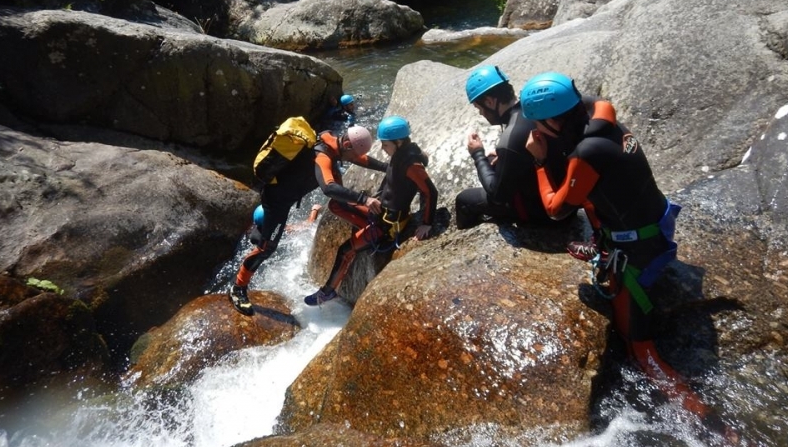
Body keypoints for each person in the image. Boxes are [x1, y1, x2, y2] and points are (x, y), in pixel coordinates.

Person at [519, 71, 732, 431]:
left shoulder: (586, 153)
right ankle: (602, 247)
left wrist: (540, 161)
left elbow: (556, 209)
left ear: (552, 121)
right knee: (590, 195)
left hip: (637, 251)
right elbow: (588, 107)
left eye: (540, 123)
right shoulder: (605, 114)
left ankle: (716, 427)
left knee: (641, 352)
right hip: (656, 221)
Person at [229, 125, 387, 315]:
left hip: (288, 192)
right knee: (267, 248)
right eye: (352, 155)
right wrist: (364, 199)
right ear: (346, 144)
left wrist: (386, 167)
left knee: (338, 204)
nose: (354, 160)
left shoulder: (331, 140)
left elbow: (358, 157)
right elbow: (328, 188)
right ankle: (237, 288)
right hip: (277, 201)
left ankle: (372, 228)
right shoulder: (323, 157)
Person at [304, 115, 438, 306]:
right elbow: (371, 163)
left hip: (388, 225)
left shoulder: (410, 164)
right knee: (336, 204)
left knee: (345, 250)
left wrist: (427, 223)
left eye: (385, 145)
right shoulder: (400, 154)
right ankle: (364, 225)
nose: (383, 149)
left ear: (398, 142)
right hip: (381, 212)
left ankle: (327, 292)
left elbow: (430, 191)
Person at [455, 65, 566, 230]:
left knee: (464, 199)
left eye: (479, 108)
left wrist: (478, 153)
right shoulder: (534, 112)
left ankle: (466, 238)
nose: (480, 114)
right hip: (566, 205)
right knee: (493, 159)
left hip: (542, 216)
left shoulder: (511, 138)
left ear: (490, 101)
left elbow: (497, 195)